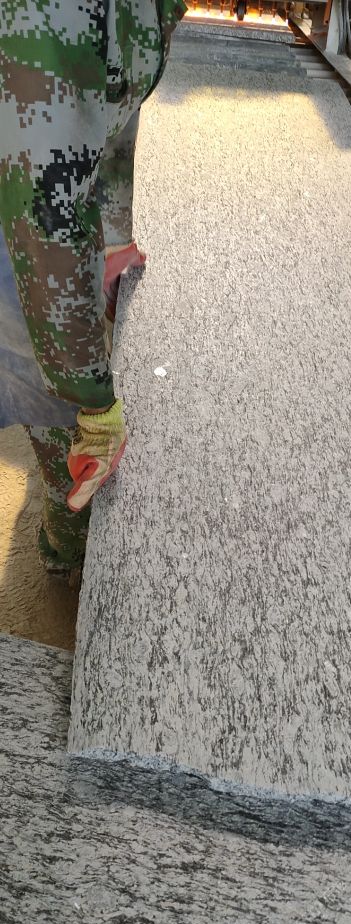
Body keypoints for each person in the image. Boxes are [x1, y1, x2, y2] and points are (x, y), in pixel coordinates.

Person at [0, 0, 186, 573]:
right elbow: (42, 217)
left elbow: (107, 103)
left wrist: (110, 235)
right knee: (54, 401)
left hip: (32, 186)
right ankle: (71, 553)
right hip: (18, 207)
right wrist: (93, 402)